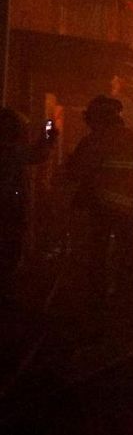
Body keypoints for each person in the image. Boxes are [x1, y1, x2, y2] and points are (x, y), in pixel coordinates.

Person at [67, 96, 133, 306]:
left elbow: (77, 171)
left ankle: (96, 295)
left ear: (97, 117)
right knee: (126, 252)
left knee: (97, 251)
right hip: (128, 206)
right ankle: (125, 295)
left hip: (102, 204)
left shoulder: (96, 139)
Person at [1, 109, 58, 308]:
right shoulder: (11, 150)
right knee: (10, 249)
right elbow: (39, 154)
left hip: (9, 205)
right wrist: (49, 131)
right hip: (9, 208)